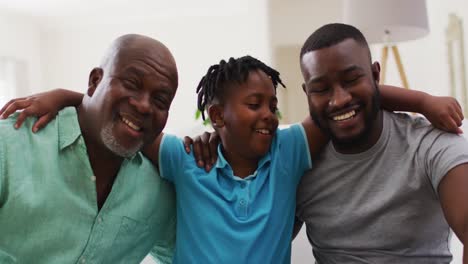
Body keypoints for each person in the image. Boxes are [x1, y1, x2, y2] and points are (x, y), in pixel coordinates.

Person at [0, 55, 463, 263]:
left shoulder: (289, 151)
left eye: (272, 105)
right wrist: (62, 96)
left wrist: (421, 102)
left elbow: (340, 104)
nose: (268, 115)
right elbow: (125, 122)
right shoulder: (183, 159)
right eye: (254, 105)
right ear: (217, 115)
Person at [294, 23, 468, 263]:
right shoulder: (296, 162)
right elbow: (260, 243)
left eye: (352, 79)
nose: (339, 100)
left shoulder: (429, 145)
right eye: (321, 89)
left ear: (375, 75)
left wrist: (423, 102)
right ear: (308, 94)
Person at [0, 34, 178, 264]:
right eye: (132, 84)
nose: (144, 105)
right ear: (95, 81)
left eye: (160, 101)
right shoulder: (9, 145)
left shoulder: (158, 194)